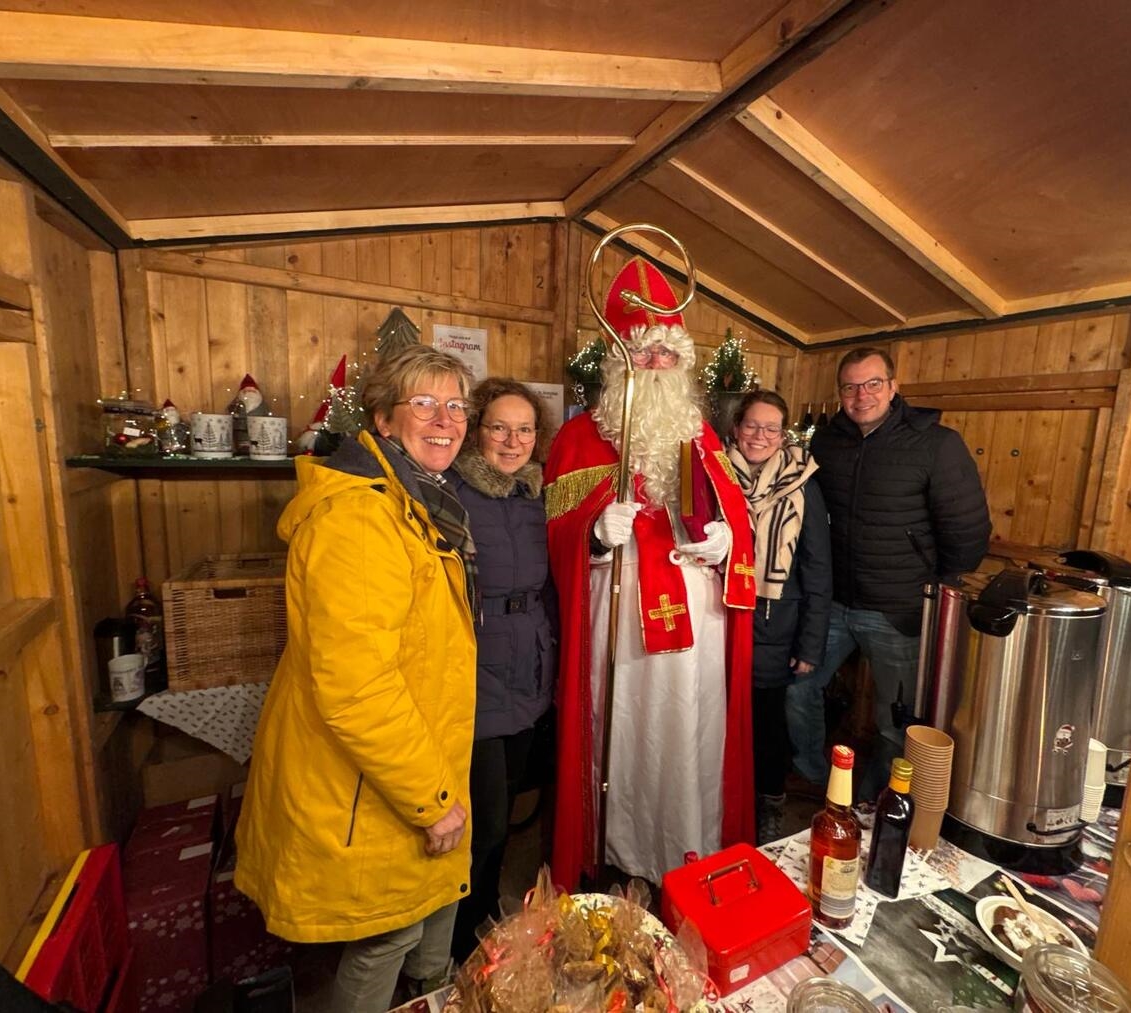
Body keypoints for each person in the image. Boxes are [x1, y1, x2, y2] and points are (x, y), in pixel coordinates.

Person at [235, 346, 478, 1013]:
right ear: (383, 418)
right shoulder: (362, 519)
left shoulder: (417, 500)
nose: (445, 418)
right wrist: (431, 797)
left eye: (456, 405)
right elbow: (359, 687)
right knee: (387, 934)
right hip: (368, 780)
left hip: (409, 757)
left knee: (423, 913)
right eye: (424, 403)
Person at [545, 257, 757, 889]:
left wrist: (727, 542)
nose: (658, 367)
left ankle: (688, 846)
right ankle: (623, 849)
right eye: (645, 355)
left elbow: (736, 521)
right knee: (628, 727)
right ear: (620, 364)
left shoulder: (703, 436)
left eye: (669, 355)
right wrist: (593, 538)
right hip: (620, 610)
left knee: (690, 729)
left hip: (701, 617)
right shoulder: (581, 437)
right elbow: (555, 534)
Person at [796, 346, 991, 796]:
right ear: (840, 393)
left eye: (873, 384)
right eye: (850, 387)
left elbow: (968, 526)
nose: (861, 395)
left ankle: (871, 802)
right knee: (798, 688)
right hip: (831, 604)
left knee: (894, 720)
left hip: (898, 609)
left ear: (894, 387)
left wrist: (939, 585)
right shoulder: (826, 443)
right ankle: (810, 776)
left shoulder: (936, 444)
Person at [444, 378, 555, 961]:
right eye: (499, 428)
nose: (512, 441)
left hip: (528, 663)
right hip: (478, 664)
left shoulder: (534, 496)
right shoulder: (454, 492)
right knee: (483, 822)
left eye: (525, 429)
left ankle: (481, 920)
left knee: (508, 801)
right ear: (478, 430)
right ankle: (462, 942)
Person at [727, 391, 832, 843]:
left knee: (767, 727)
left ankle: (769, 803)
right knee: (720, 721)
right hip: (721, 620)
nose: (760, 436)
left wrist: (810, 645)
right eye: (752, 425)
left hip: (774, 626)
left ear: (783, 434)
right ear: (736, 428)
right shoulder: (717, 475)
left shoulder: (802, 483)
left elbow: (818, 567)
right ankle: (722, 803)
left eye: (771, 428)